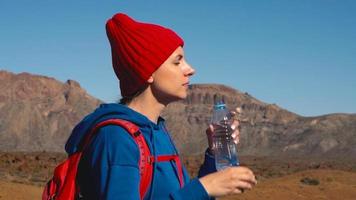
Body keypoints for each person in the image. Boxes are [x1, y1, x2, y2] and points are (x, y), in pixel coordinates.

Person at [65, 13, 257, 200]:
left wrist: (214, 156)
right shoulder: (117, 138)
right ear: (148, 72)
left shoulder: (157, 131)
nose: (190, 69)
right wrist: (205, 187)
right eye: (177, 61)